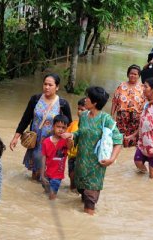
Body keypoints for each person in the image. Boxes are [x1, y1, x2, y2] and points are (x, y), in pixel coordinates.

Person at [62, 86, 123, 215]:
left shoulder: (105, 119)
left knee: (89, 205)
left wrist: (111, 159)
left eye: (88, 98)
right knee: (82, 196)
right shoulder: (83, 116)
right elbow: (80, 132)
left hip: (96, 167)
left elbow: (118, 140)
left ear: (95, 102)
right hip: (81, 164)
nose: (85, 100)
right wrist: (72, 135)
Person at [10, 73, 72, 181]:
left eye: (50, 85)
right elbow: (26, 119)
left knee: (50, 172)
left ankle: (47, 191)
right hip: (36, 141)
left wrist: (67, 141)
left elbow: (69, 124)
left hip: (53, 142)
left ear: (57, 87)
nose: (47, 87)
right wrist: (15, 137)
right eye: (45, 84)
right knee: (36, 172)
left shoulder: (62, 104)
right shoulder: (35, 99)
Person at [111, 64, 145, 147]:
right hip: (121, 120)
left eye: (135, 74)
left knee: (132, 142)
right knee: (119, 141)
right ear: (128, 74)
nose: (132, 75)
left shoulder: (143, 88)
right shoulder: (121, 86)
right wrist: (111, 116)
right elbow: (114, 101)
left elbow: (146, 105)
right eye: (131, 73)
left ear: (139, 76)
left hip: (136, 120)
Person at [41, 115, 72, 200]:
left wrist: (70, 137)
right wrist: (42, 175)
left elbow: (70, 146)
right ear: (53, 126)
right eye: (58, 127)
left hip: (57, 175)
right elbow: (43, 158)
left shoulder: (66, 141)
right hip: (47, 173)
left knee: (52, 196)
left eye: (64, 128)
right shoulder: (46, 142)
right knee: (46, 192)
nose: (61, 129)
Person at [66, 98, 86, 190]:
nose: (79, 112)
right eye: (78, 109)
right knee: (72, 176)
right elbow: (66, 137)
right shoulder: (73, 124)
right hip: (72, 155)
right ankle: (72, 192)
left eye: (82, 109)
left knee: (82, 180)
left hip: (83, 157)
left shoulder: (90, 126)